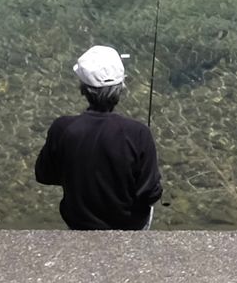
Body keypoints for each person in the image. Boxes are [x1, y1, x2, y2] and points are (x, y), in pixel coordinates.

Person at [33, 45, 163, 229]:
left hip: (78, 222)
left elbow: (43, 175)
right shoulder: (139, 132)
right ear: (121, 87)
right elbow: (150, 194)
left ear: (83, 89)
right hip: (129, 225)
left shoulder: (62, 128)